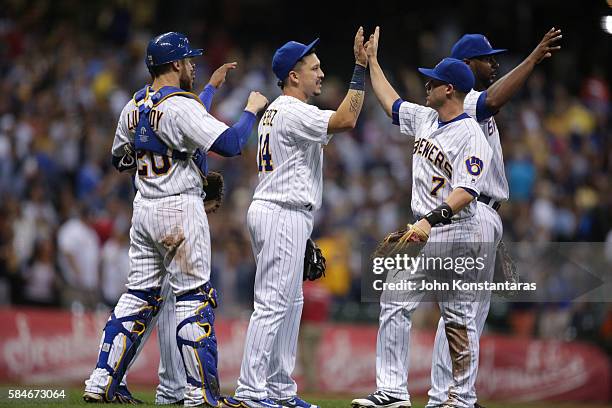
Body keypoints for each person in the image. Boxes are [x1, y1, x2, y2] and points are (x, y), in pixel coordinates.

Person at [83, 31, 268, 406]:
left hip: (145, 209)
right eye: (188, 60)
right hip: (179, 210)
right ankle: (200, 393)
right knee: (193, 299)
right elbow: (230, 144)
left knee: (138, 296)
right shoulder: (182, 106)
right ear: (174, 65)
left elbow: (120, 158)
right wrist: (251, 109)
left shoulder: (133, 106)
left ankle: (101, 381)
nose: (192, 65)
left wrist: (209, 93)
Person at [223, 27, 368, 408]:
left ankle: (279, 390)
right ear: (293, 76)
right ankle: (252, 392)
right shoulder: (290, 110)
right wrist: (360, 68)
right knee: (273, 304)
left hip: (285, 211)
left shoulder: (281, 111)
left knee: (290, 304)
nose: (320, 73)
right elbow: (346, 121)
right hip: (281, 211)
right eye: (314, 68)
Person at [351, 27, 492, 408]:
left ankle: (461, 398)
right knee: (394, 300)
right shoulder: (426, 118)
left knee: (458, 317)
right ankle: (393, 392)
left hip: (455, 230)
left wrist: (430, 220)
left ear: (449, 90)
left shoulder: (472, 136)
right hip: (421, 228)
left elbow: (467, 192)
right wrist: (371, 64)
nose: (425, 84)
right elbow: (391, 103)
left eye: (432, 81)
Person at [426, 28, 561, 408]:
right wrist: (532, 60)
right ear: (467, 66)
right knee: (461, 309)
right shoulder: (462, 104)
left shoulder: (460, 107)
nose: (493, 62)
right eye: (486, 58)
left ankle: (451, 394)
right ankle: (448, 396)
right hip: (471, 210)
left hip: (481, 212)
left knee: (467, 310)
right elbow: (495, 98)